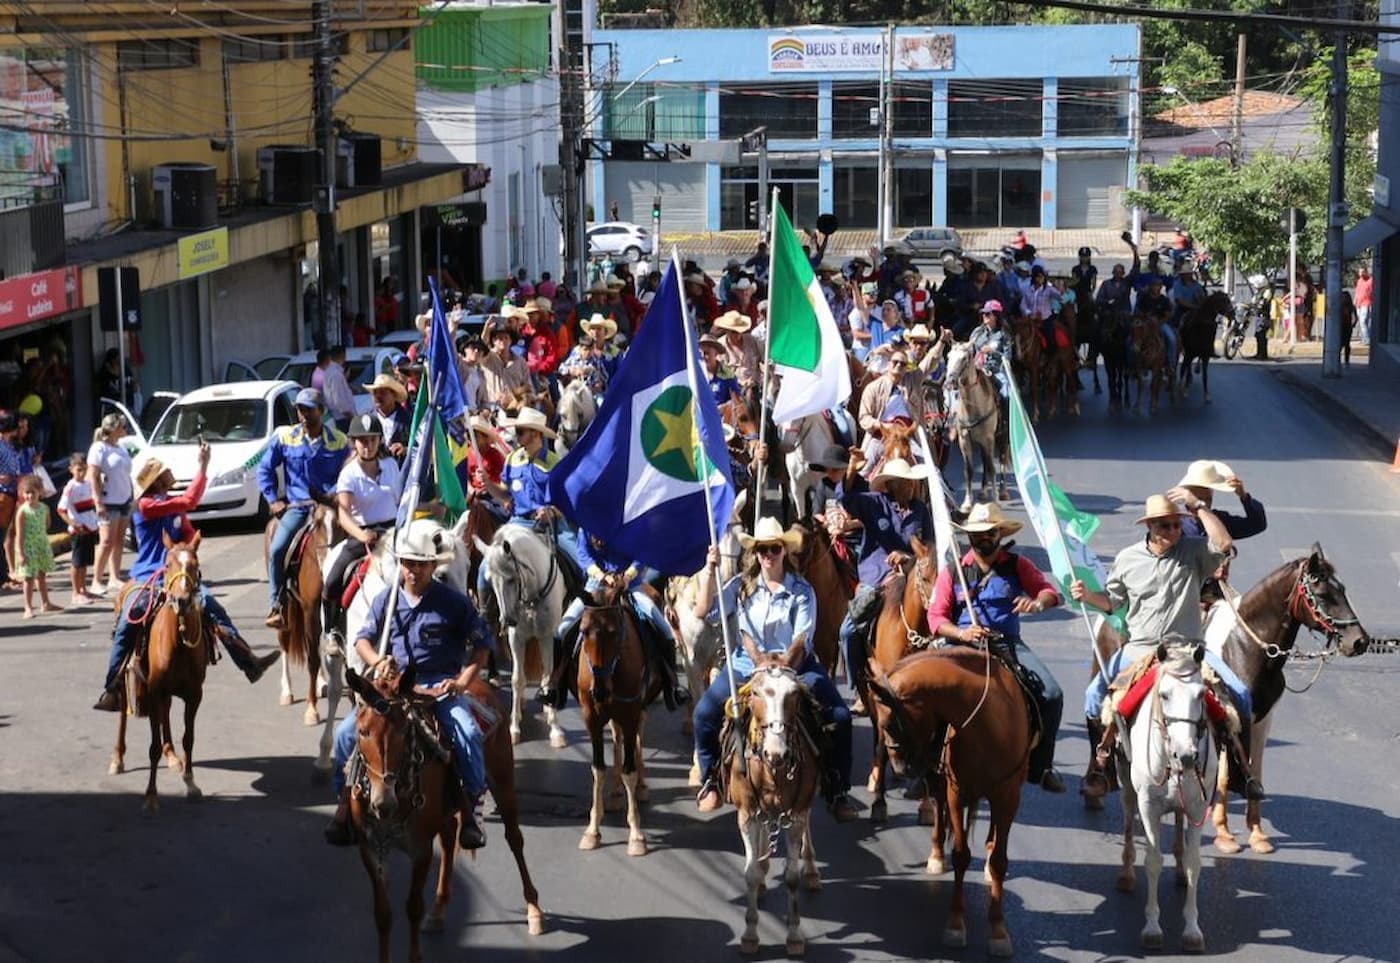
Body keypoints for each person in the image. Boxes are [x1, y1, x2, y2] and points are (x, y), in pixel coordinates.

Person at [1070, 493, 1260, 800]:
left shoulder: (1195, 551)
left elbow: (1224, 544)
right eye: (1168, 526)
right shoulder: (1128, 558)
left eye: (1178, 525)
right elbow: (1113, 602)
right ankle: (1100, 766)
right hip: (1139, 651)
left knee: (1240, 694)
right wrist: (1087, 596)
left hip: (1188, 648)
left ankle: (1241, 775)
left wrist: (1198, 507)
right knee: (1093, 698)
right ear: (1151, 528)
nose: (1175, 531)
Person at [324, 519, 496, 849]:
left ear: (433, 565)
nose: (412, 571)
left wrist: (463, 681)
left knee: (469, 733)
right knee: (347, 734)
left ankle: (473, 807)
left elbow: (483, 645)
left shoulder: (454, 603)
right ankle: (344, 802)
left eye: (420, 564)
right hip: (394, 687)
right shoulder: (386, 600)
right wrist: (377, 661)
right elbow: (362, 640)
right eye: (407, 563)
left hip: (438, 689)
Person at [690, 518, 859, 822]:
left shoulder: (802, 590)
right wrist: (710, 570)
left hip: (794, 665)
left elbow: (802, 637)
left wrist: (777, 665)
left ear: (785, 551)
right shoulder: (740, 586)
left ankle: (837, 788)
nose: (769, 554)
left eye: (775, 548)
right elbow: (704, 611)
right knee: (703, 714)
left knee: (840, 717)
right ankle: (710, 781)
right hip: (746, 664)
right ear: (755, 553)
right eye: (763, 549)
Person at [93, 449, 281, 711]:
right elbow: (190, 500)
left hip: (177, 575)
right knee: (129, 619)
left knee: (213, 607)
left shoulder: (172, 508)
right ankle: (111, 686)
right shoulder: (146, 505)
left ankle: (248, 661)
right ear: (156, 480)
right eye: (164, 472)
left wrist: (188, 550)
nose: (169, 474)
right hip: (147, 575)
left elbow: (190, 536)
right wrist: (203, 466)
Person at [927, 503, 1066, 792]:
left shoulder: (1017, 565)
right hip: (962, 644)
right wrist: (962, 633)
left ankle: (1041, 767)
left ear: (999, 533)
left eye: (990, 532)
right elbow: (936, 617)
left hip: (1005, 643)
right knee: (926, 695)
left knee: (1052, 694)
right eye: (978, 534)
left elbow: (1050, 592)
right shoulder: (954, 570)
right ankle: (925, 768)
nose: (984, 538)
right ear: (969, 537)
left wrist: (1038, 602)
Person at [540, 528, 688, 709]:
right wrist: (601, 576)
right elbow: (583, 555)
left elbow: (641, 554)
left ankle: (672, 685)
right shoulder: (587, 524)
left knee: (664, 630)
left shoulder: (631, 520)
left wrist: (627, 576)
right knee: (562, 630)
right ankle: (556, 686)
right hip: (595, 587)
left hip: (630, 587)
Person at [837, 454, 934, 701]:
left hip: (912, 576)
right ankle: (859, 686)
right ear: (891, 485)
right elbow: (846, 500)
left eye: (911, 482)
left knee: (938, 617)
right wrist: (850, 470)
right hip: (876, 578)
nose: (911, 486)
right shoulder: (874, 503)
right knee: (849, 630)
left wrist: (908, 558)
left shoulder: (921, 510)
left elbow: (929, 547)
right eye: (904, 482)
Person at [259, 388, 350, 628]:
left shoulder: (339, 441)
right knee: (278, 548)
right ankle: (276, 603)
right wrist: (272, 499)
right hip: (298, 507)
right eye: (300, 409)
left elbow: (351, 470)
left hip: (331, 507)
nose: (304, 414)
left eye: (309, 409)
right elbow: (264, 469)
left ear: (322, 411)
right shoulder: (285, 438)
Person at [322, 414, 403, 644]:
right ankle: (332, 632)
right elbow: (343, 514)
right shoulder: (348, 474)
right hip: (363, 535)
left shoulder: (391, 466)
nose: (367, 446)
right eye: (362, 440)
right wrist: (361, 534)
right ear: (354, 442)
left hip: (393, 533)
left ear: (379, 441)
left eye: (372, 440)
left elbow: (399, 501)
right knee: (333, 580)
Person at [86, 412, 134, 596]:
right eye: (122, 426)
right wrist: (98, 502)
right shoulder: (99, 448)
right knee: (106, 541)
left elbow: (125, 474)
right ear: (114, 429)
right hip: (108, 501)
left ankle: (114, 576)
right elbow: (93, 475)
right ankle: (96, 580)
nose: (125, 429)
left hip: (123, 499)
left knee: (119, 540)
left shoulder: (120, 448)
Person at [57, 451, 101, 608]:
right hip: (78, 529)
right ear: (71, 469)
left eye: (84, 469)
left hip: (89, 526)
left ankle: (83, 589)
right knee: (77, 562)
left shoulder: (88, 484)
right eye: (78, 469)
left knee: (85, 562)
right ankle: (75, 592)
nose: (81, 472)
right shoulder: (70, 487)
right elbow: (61, 509)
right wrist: (72, 523)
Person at [13, 474, 56, 617]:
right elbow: (19, 533)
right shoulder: (22, 512)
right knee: (29, 578)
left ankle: (46, 603)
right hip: (28, 547)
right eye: (27, 492)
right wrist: (20, 552)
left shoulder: (44, 508)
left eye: (33, 492)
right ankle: (28, 607)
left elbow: (47, 524)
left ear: (40, 492)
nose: (30, 496)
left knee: (42, 575)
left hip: (41, 545)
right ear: (22, 494)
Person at [363, 373, 410, 463]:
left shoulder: (407, 418)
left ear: (393, 395)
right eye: (375, 393)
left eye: (382, 392)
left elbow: (419, 446)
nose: (378, 396)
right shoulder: (367, 419)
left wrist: (405, 450)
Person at [320, 345, 356, 429]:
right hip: (342, 419)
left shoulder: (329, 371)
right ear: (343, 355)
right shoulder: (336, 374)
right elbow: (339, 400)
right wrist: (352, 417)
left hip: (338, 417)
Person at [1354, 266, 1372, 345]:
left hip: (1366, 303)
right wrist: (1355, 300)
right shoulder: (1359, 281)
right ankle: (1364, 338)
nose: (1361, 274)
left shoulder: (1370, 281)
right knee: (1363, 322)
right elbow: (1357, 291)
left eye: (1362, 272)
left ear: (1366, 272)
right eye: (1360, 272)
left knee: (1363, 321)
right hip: (1359, 304)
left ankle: (1367, 339)